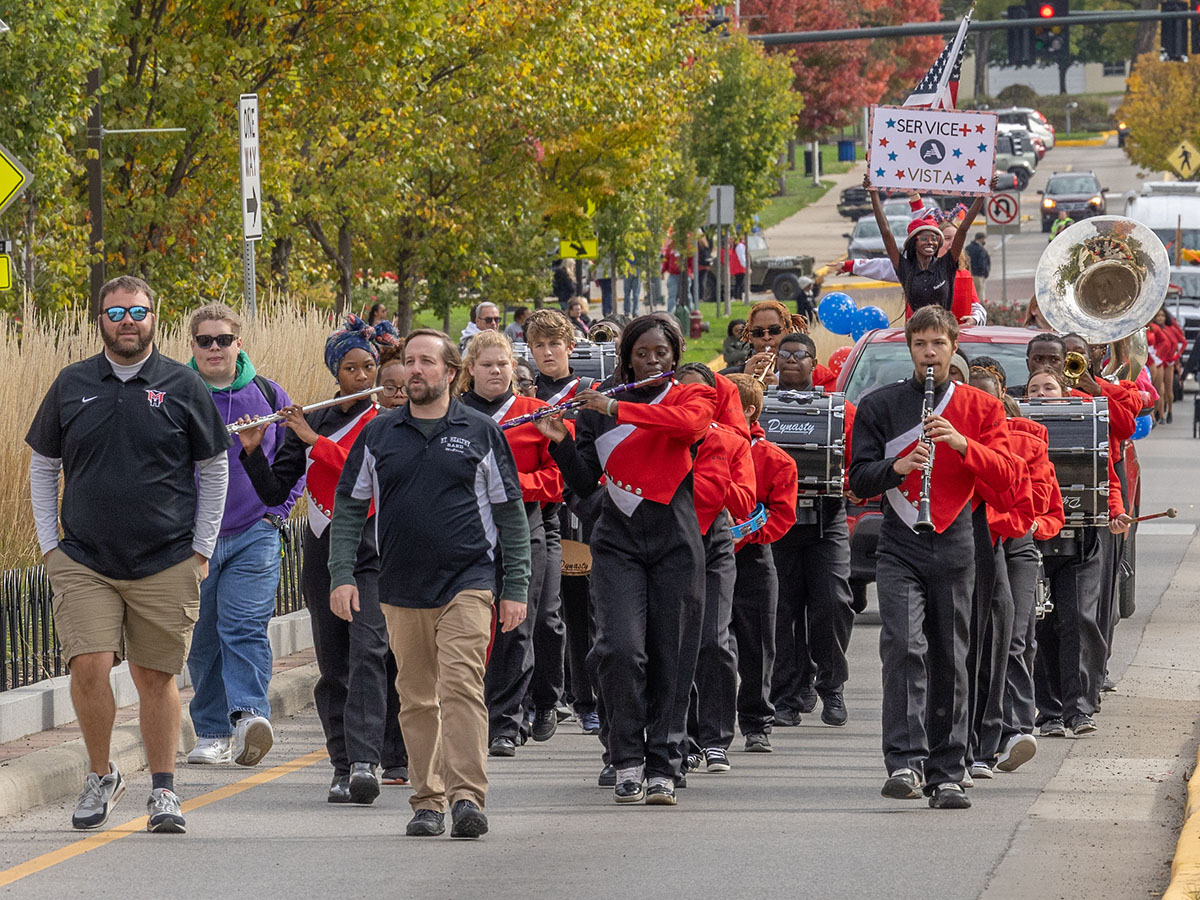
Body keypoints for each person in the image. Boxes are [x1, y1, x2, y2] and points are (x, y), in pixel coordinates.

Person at [27, 274, 231, 833]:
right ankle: (101, 775)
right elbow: (43, 466)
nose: (126, 324)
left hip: (165, 559)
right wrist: (49, 545)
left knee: (154, 676)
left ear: (154, 318)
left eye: (137, 313)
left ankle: (163, 791)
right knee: (88, 665)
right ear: (100, 321)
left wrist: (202, 547)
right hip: (84, 559)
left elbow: (214, 468)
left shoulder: (182, 385)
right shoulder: (71, 384)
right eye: (115, 314)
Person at [329, 328, 531, 839]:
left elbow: (511, 516)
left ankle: (467, 797)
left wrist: (516, 587)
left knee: (461, 686)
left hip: (469, 579)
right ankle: (428, 801)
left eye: (426, 362)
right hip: (399, 586)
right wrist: (341, 575)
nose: (414, 370)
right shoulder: (378, 434)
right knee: (417, 697)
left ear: (450, 373)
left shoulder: (482, 432)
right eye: (408, 362)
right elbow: (349, 509)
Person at [536, 316, 717, 805]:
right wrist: (560, 442)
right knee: (619, 649)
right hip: (617, 544)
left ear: (675, 356)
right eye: (642, 353)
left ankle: (665, 761)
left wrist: (616, 406)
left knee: (672, 656)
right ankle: (626, 757)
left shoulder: (689, 396)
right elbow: (584, 482)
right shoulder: (597, 409)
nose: (652, 360)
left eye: (661, 352)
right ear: (627, 357)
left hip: (676, 543)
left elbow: (689, 427)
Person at [848, 306, 1017, 810]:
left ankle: (947, 770)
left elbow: (1008, 476)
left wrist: (963, 444)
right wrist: (897, 467)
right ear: (910, 348)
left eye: (937, 344)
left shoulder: (981, 409)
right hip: (900, 543)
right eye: (920, 344)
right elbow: (857, 480)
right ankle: (904, 761)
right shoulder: (881, 406)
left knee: (951, 655)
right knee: (902, 644)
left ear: (953, 346)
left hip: (958, 540)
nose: (929, 353)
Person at [239, 315, 406, 804]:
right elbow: (274, 491)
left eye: (369, 366)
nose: (362, 376)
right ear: (336, 372)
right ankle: (340, 764)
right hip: (322, 550)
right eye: (351, 368)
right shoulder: (313, 420)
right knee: (334, 665)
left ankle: (366, 760)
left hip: (375, 551)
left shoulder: (389, 421)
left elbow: (369, 472)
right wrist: (253, 451)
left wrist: (315, 441)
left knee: (372, 653)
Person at [184, 303, 299, 770]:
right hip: (194, 540)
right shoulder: (176, 392)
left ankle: (250, 717)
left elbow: (295, 463)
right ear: (191, 345)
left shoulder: (269, 394)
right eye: (205, 340)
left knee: (245, 627)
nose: (215, 348)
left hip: (255, 532)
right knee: (204, 636)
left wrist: (277, 514)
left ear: (239, 343)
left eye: (224, 340)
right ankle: (211, 732)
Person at [457, 331, 561, 756]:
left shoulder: (536, 414)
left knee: (517, 625)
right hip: (465, 535)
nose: (496, 371)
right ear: (470, 370)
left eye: (502, 364)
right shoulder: (453, 414)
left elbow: (557, 478)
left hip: (523, 529)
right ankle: (472, 713)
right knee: (469, 630)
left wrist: (512, 486)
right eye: (487, 365)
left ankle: (505, 722)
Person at [767, 333, 857, 728]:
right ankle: (786, 694)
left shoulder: (840, 409)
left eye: (799, 354)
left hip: (826, 516)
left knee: (833, 601)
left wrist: (849, 480)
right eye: (783, 354)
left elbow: (858, 461)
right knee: (780, 609)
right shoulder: (761, 406)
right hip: (776, 520)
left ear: (813, 363)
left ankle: (831, 686)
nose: (790, 360)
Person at [677, 364, 757, 773]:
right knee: (678, 643)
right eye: (683, 394)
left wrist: (713, 476)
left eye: (701, 396)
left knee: (714, 639)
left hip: (715, 540)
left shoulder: (731, 441)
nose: (692, 402)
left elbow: (746, 502)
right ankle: (684, 737)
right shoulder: (662, 439)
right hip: (670, 542)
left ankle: (716, 738)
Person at [523, 309, 598, 736]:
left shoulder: (588, 391)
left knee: (585, 611)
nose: (548, 352)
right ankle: (540, 698)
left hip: (581, 510)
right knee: (543, 613)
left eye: (555, 344)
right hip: (545, 508)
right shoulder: (525, 394)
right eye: (539, 345)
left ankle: (587, 699)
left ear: (571, 347)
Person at [864, 174, 994, 324]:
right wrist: (873, 193)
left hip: (943, 333)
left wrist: (983, 194)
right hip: (917, 334)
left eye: (935, 239)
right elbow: (886, 232)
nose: (930, 242)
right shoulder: (905, 268)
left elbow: (963, 229)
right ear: (914, 243)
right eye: (924, 239)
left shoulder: (946, 265)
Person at [719, 300, 808, 386]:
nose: (766, 337)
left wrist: (780, 389)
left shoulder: (806, 375)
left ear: (789, 332)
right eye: (758, 332)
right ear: (750, 337)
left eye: (774, 330)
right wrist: (744, 383)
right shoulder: (725, 378)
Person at [965, 234, 990, 302]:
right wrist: (985, 273)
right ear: (980, 239)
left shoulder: (968, 248)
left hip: (969, 274)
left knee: (971, 296)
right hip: (978, 275)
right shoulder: (980, 249)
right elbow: (982, 263)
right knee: (979, 296)